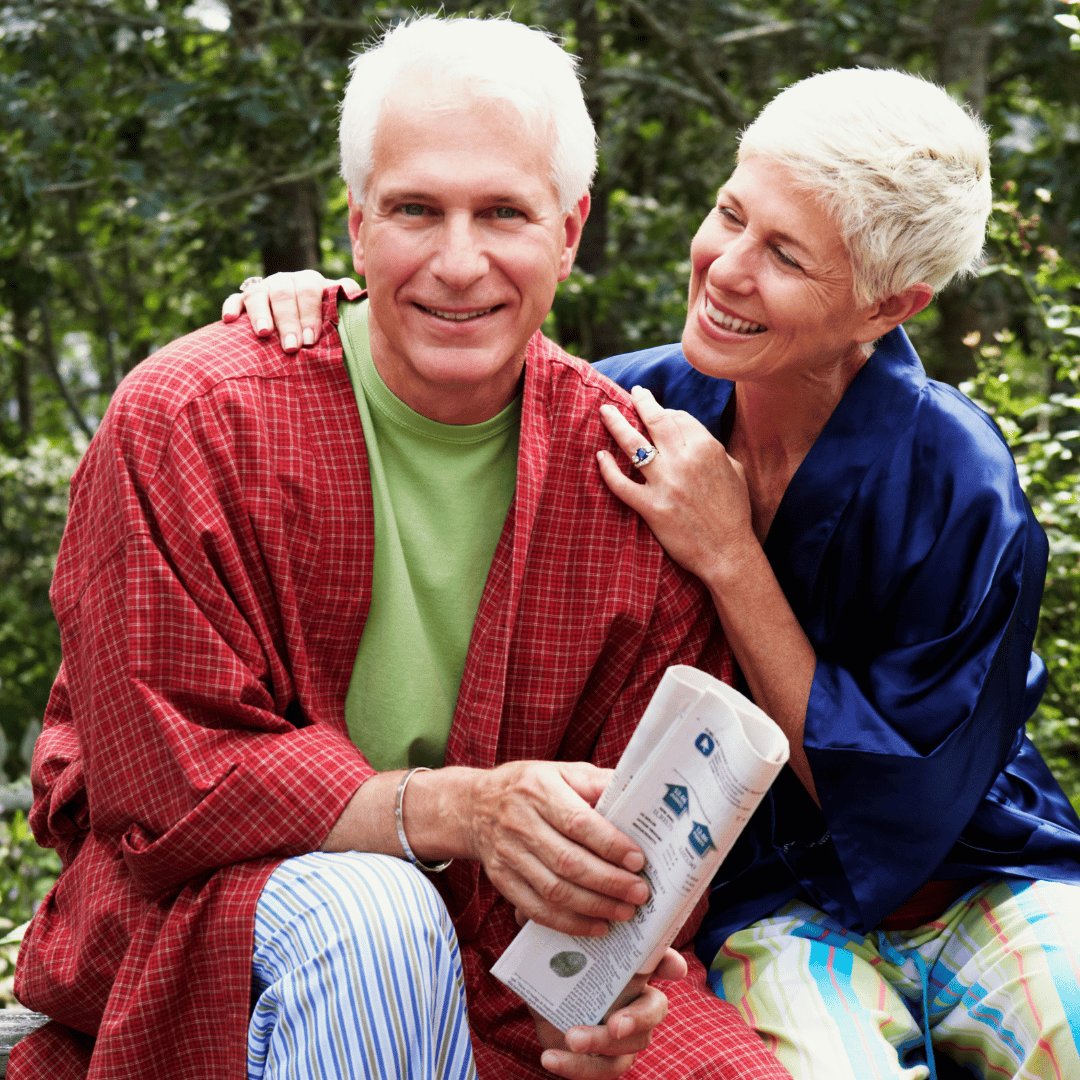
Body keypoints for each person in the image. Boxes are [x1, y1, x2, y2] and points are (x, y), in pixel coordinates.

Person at [237, 66, 1080, 1080]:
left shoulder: (959, 476)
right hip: (759, 909)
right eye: (731, 215)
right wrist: (329, 306)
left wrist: (730, 554)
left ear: (885, 306)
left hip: (979, 881)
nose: (727, 268)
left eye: (785, 257)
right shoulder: (632, 410)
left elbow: (894, 809)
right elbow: (453, 345)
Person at [10, 16, 796, 1080]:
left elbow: (639, 845)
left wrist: (607, 990)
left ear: (568, 232)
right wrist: (460, 811)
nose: (458, 262)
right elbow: (165, 788)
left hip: (510, 973)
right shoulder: (194, 418)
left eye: (504, 214)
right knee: (378, 917)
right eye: (417, 209)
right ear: (358, 224)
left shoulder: (631, 480)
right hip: (226, 919)